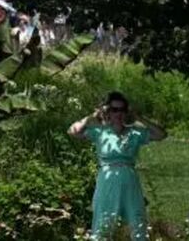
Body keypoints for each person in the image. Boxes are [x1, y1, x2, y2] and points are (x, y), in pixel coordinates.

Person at [69, 91, 166, 240]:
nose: (118, 113)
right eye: (114, 109)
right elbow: (73, 131)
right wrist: (93, 116)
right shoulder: (100, 132)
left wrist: (139, 118)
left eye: (122, 109)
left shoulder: (134, 133)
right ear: (108, 111)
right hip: (107, 179)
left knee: (136, 219)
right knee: (104, 219)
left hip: (129, 180)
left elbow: (161, 135)